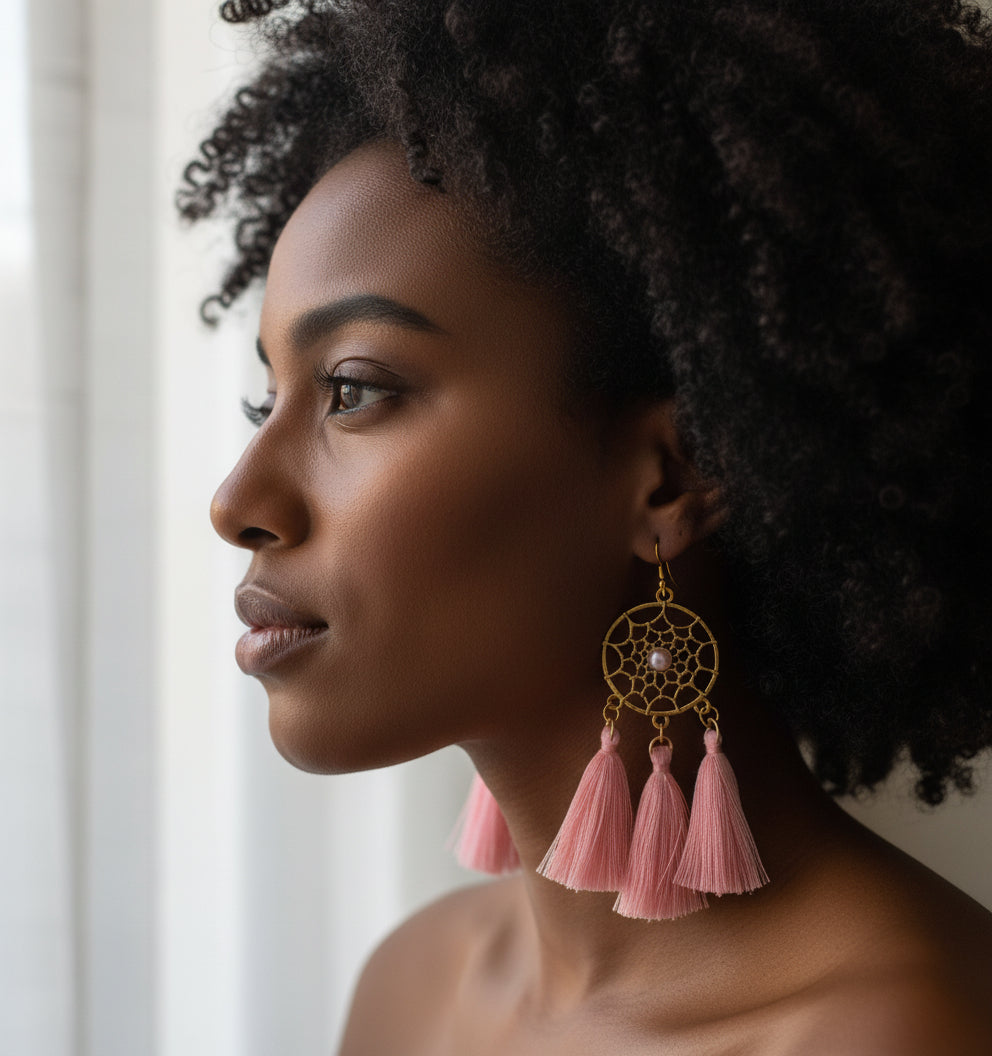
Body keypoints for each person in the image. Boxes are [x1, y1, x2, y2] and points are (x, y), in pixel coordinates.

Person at [183, 0, 992, 1051]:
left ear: (669, 479)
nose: (237, 503)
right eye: (267, 399)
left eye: (352, 390)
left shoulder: (899, 1029)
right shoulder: (413, 992)